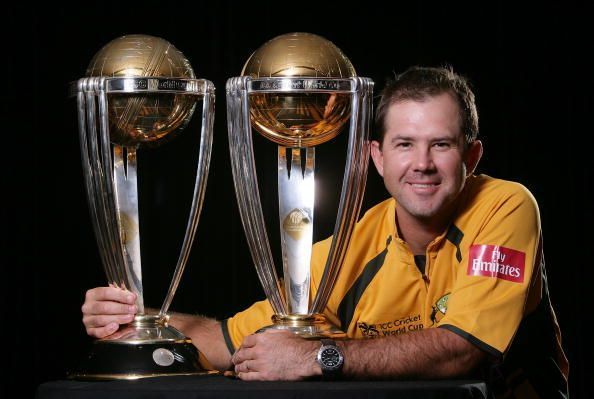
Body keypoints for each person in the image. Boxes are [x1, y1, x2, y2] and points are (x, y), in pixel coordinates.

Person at [82, 66, 569, 398]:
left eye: (440, 144)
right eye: (404, 144)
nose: (422, 164)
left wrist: (320, 356)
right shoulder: (346, 251)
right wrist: (137, 320)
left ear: (472, 157)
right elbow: (226, 342)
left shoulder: (506, 206)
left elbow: (460, 352)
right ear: (377, 158)